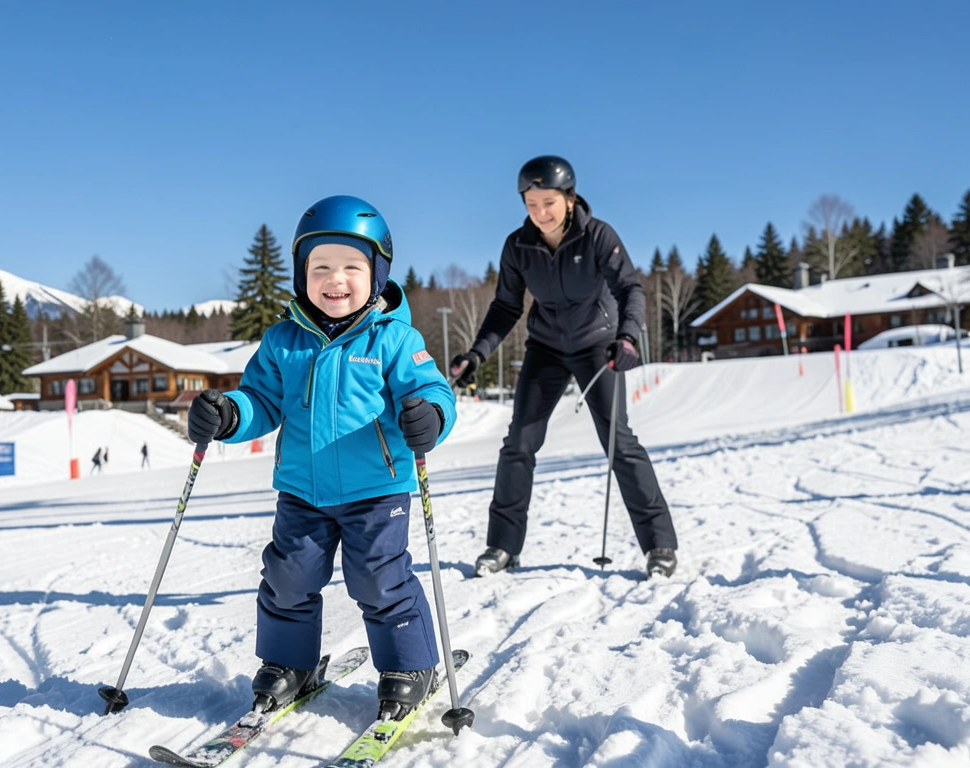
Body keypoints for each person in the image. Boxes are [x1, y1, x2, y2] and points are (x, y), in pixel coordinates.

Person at [187, 195, 457, 721]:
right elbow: (261, 400)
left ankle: (411, 666)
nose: (336, 279)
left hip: (377, 489)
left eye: (352, 266)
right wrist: (229, 415)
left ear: (377, 274)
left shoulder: (394, 338)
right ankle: (291, 664)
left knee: (378, 579)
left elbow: (431, 389)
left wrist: (430, 415)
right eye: (320, 267)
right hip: (302, 490)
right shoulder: (283, 341)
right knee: (288, 577)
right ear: (301, 274)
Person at [451, 156, 678, 579]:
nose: (540, 213)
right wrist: (477, 353)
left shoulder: (597, 235)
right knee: (519, 443)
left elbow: (630, 289)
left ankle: (659, 544)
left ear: (570, 198)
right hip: (547, 348)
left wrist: (627, 337)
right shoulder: (518, 246)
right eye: (531, 203)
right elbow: (505, 307)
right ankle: (503, 546)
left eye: (549, 202)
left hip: (597, 347)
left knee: (618, 441)